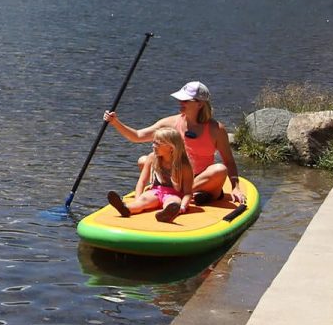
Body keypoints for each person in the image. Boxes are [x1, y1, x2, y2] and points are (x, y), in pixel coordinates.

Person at [104, 80, 244, 206]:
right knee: (144, 161)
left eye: (185, 100)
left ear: (200, 104)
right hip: (176, 177)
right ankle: (175, 193)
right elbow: (137, 136)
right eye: (180, 99)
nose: (180, 103)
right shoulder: (170, 123)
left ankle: (180, 193)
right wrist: (115, 122)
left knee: (219, 170)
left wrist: (235, 187)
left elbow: (229, 161)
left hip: (202, 180)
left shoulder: (216, 129)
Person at [106, 127, 194, 222]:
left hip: (173, 194)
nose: (153, 146)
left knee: (173, 202)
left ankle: (166, 214)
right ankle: (125, 208)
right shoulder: (152, 158)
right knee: (143, 200)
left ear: (171, 147)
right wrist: (137, 198)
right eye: (153, 142)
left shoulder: (183, 166)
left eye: (157, 143)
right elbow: (142, 181)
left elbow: (188, 193)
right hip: (156, 192)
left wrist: (183, 206)